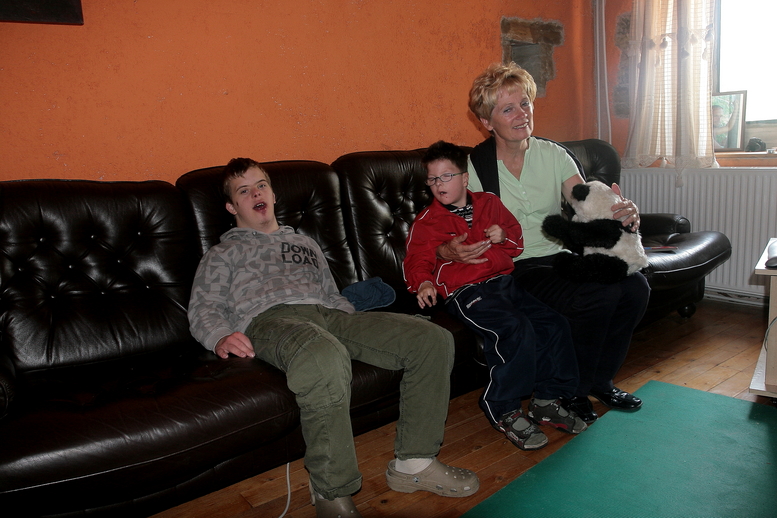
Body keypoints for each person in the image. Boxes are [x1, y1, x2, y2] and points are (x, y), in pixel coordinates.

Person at [188, 158, 479, 518]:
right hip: (271, 320)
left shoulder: (305, 243)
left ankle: (415, 464)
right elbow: (203, 307)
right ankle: (331, 490)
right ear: (232, 207)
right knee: (323, 357)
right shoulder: (222, 253)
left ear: (273, 194)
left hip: (329, 315)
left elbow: (330, 293)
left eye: (261, 185)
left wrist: (355, 322)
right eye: (243, 191)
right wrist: (220, 336)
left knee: (432, 339)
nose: (256, 194)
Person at [438, 62, 650, 423]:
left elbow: (587, 202)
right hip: (515, 267)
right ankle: (574, 390)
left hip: (559, 257)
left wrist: (624, 211)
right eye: (508, 109)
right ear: (487, 121)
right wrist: (447, 249)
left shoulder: (553, 154)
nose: (522, 114)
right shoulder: (475, 167)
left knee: (635, 288)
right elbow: (448, 228)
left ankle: (600, 380)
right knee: (597, 295)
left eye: (525, 103)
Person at [403, 141, 586, 451]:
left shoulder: (489, 203)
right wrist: (423, 283)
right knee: (513, 327)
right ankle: (503, 408)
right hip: (466, 292)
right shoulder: (427, 221)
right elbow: (416, 259)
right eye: (432, 179)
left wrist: (504, 235)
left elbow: (516, 243)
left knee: (554, 324)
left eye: (446, 176)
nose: (438, 184)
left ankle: (546, 399)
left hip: (503, 283)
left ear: (464, 178)